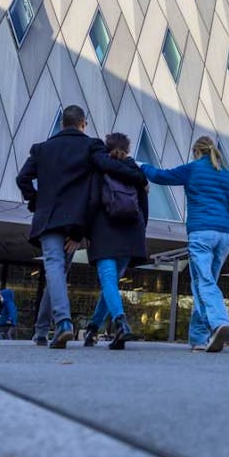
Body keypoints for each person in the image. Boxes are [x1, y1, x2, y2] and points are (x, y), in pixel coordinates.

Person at [16, 104, 141, 349]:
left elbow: (22, 179)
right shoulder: (91, 145)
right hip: (75, 221)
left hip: (48, 217)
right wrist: (138, 176)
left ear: (62, 123)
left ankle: (58, 325)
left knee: (54, 267)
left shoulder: (42, 149)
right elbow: (109, 167)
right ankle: (46, 329)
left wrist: (35, 200)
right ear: (83, 123)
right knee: (58, 271)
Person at [141, 136, 229, 353]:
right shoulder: (226, 175)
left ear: (197, 152)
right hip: (224, 235)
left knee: (204, 283)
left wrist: (142, 166)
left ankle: (219, 323)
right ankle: (198, 338)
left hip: (201, 233)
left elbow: (162, 176)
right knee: (204, 284)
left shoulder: (193, 169)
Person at [83, 133, 149, 350]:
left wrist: (85, 230)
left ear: (107, 147)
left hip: (104, 231)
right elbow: (144, 207)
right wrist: (141, 231)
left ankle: (120, 322)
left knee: (108, 281)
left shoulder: (100, 168)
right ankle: (93, 328)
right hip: (131, 233)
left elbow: (92, 201)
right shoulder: (136, 172)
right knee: (110, 284)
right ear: (128, 150)